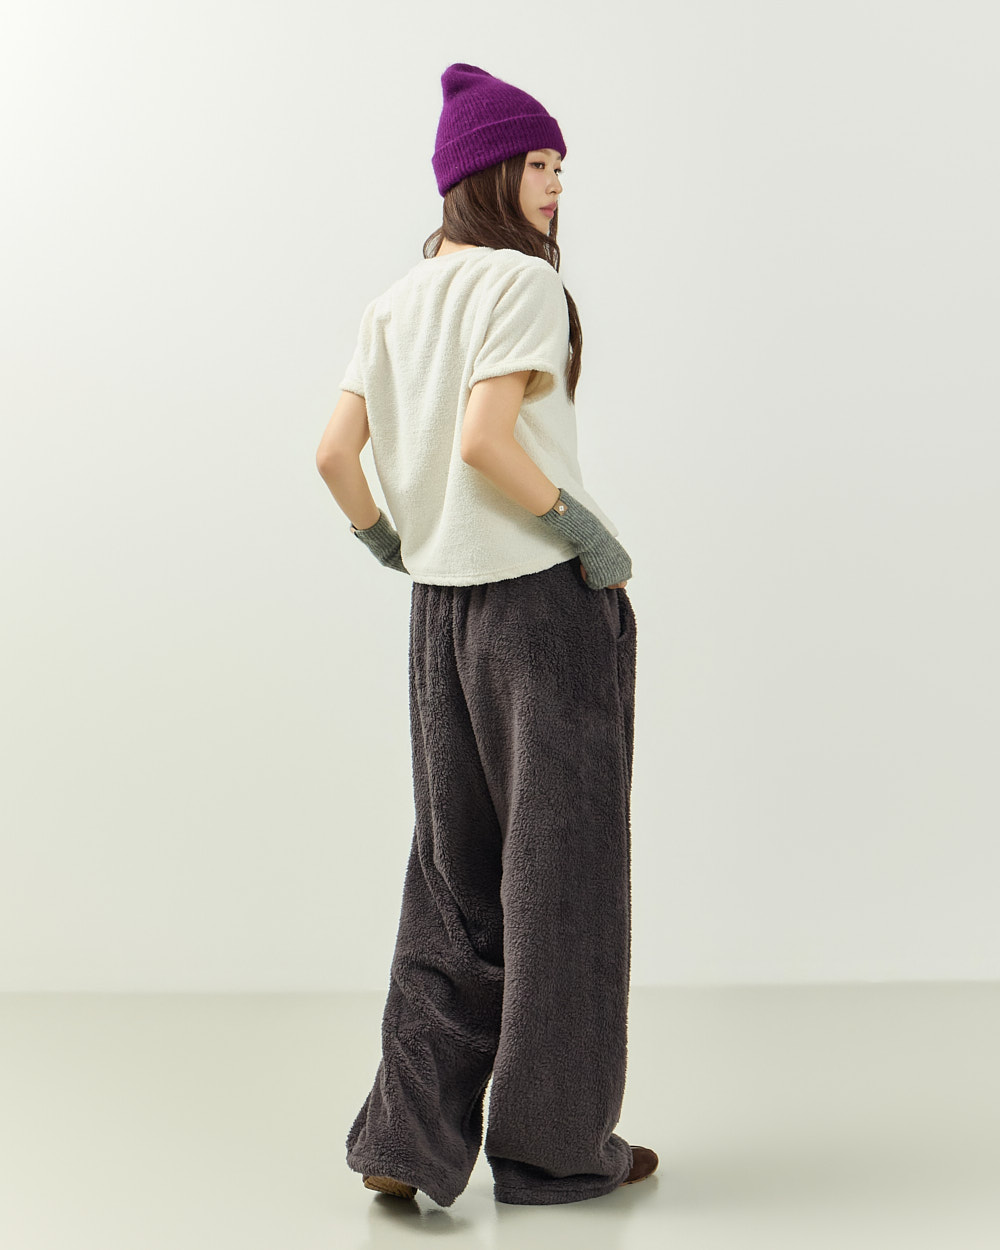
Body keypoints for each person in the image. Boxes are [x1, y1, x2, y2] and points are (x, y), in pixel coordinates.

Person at [315, 61, 658, 1209]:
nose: (557, 184)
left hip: (440, 613)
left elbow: (333, 455)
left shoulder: (395, 301)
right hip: (541, 606)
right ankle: (555, 1149)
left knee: (452, 878)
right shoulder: (520, 283)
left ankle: (405, 1139)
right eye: (537, 162)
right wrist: (586, 533)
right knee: (562, 878)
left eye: (560, 165)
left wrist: (386, 540)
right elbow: (483, 440)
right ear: (485, 173)